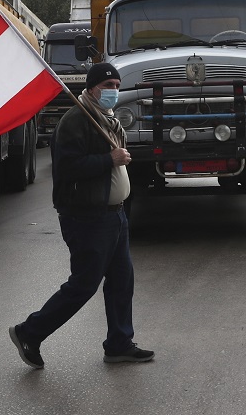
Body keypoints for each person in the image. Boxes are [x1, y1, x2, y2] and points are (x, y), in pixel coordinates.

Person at [9, 62, 154, 369]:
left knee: (121, 280)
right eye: (107, 86)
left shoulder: (107, 119)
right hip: (87, 217)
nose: (113, 91)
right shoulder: (76, 120)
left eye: (116, 85)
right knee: (84, 284)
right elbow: (67, 169)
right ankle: (29, 332)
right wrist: (109, 159)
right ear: (91, 89)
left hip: (114, 215)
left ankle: (119, 343)